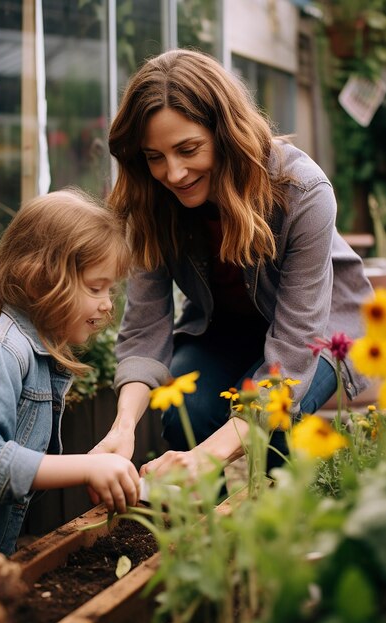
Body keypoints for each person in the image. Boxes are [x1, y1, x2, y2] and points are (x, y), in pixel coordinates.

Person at [90, 48, 373, 482]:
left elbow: (297, 345)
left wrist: (207, 456)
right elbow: (145, 326)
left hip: (316, 337)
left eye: (188, 149)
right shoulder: (154, 200)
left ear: (225, 133)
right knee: (188, 410)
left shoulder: (303, 191)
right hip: (225, 330)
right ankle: (206, 533)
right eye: (155, 157)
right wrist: (122, 428)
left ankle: (279, 531)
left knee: (276, 431)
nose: (175, 173)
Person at [0, 188, 140, 571]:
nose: (108, 303)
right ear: (40, 280)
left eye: (110, 289)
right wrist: (85, 468)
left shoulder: (36, 353)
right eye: (96, 288)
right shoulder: (1, 349)